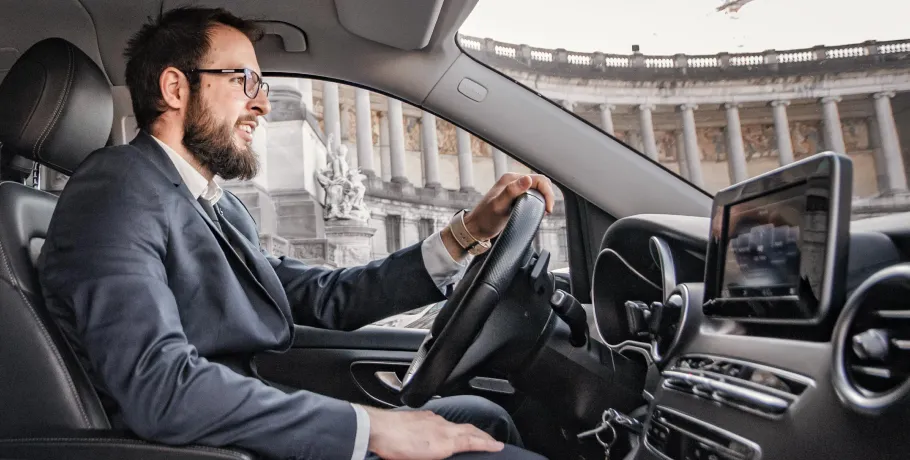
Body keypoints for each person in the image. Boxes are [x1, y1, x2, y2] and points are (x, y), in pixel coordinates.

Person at [36, 7, 556, 460]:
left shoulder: (215, 205)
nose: (262, 104)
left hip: (241, 431)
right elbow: (159, 387)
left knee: (482, 418)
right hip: (207, 450)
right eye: (246, 81)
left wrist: (464, 233)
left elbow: (324, 297)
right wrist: (372, 428)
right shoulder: (116, 185)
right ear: (176, 88)